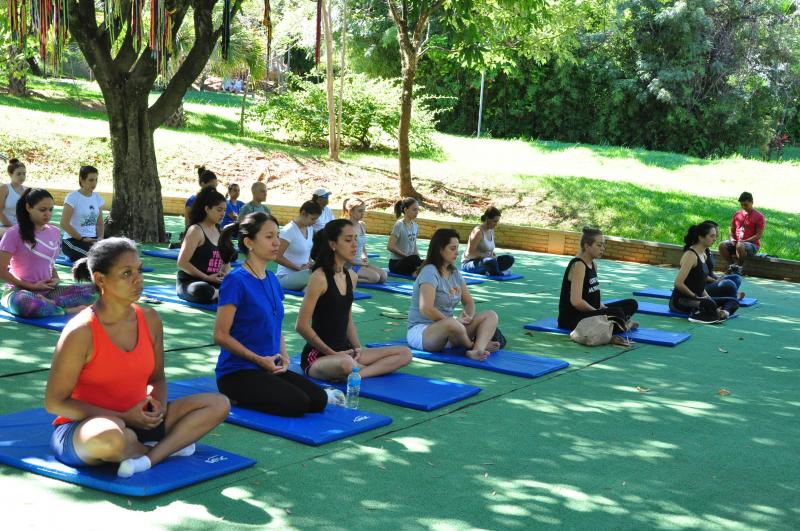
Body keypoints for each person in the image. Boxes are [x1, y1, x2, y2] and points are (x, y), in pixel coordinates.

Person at [44, 237, 229, 477]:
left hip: (139, 420)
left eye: (139, 270)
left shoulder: (150, 319)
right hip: (88, 426)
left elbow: (157, 379)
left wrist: (157, 408)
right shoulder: (81, 331)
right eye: (126, 273)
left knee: (218, 403)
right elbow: (54, 403)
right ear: (100, 279)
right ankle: (165, 447)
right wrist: (121, 417)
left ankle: (148, 457)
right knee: (110, 437)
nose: (138, 279)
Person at [213, 212, 328, 416]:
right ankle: (235, 396)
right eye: (269, 237)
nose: (276, 243)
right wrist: (259, 360)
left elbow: (277, 326)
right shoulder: (235, 281)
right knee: (298, 404)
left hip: (268, 366)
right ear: (249, 242)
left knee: (319, 400)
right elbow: (220, 335)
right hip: (237, 372)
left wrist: (284, 357)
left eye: (277, 236)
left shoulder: (273, 279)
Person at [296, 219, 412, 380]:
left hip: (347, 351)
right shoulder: (319, 277)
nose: (354, 245)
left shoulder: (352, 276)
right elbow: (301, 326)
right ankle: (362, 370)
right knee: (345, 363)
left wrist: (357, 348)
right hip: (320, 357)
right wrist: (333, 353)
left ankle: (359, 374)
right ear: (333, 244)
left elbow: (347, 317)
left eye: (355, 239)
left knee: (404, 353)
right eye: (348, 240)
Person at [407, 228, 500, 361]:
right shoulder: (429, 272)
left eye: (457, 248)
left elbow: (468, 302)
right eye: (452, 248)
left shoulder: (454, 272)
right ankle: (472, 345)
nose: (457, 252)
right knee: (452, 323)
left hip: (452, 330)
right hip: (423, 333)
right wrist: (454, 323)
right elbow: (426, 308)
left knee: (491, 315)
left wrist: (468, 316)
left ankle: (477, 350)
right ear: (440, 249)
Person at [0, 189, 96, 317]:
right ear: (28, 207)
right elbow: (1, 270)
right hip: (19, 292)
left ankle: (49, 303)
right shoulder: (13, 233)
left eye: (50, 210)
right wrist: (31, 287)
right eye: (42, 210)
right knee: (25, 304)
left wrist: (56, 278)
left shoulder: (54, 232)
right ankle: (66, 310)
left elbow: (50, 263)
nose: (48, 214)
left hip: (49, 291)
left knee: (94, 291)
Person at [557, 227, 638, 345]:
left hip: (590, 312)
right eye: (599, 245)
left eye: (603, 245)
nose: (603, 249)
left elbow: (592, 295)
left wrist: (602, 308)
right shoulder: (579, 265)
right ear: (587, 246)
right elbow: (576, 301)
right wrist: (600, 312)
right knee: (617, 313)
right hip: (572, 318)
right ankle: (622, 325)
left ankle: (615, 324)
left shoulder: (593, 265)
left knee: (631, 304)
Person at [670, 222, 740, 324]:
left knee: (733, 301)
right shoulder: (690, 256)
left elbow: (700, 283)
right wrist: (696, 297)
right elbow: (678, 283)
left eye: (715, 236)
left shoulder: (704, 254)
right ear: (701, 237)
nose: (714, 239)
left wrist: (707, 297)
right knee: (709, 304)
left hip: (699, 298)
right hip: (682, 301)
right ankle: (702, 313)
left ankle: (722, 313)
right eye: (712, 236)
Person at [176, 187, 233, 304]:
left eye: (224, 210)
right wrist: (206, 277)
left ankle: (221, 294)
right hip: (191, 283)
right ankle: (221, 295)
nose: (223, 214)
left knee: (239, 282)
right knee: (202, 290)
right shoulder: (196, 230)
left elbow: (226, 264)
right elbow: (182, 263)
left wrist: (225, 274)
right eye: (219, 210)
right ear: (207, 209)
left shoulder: (221, 232)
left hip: (214, 282)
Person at [60, 166, 105, 262]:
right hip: (72, 240)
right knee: (96, 259)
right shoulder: (72, 197)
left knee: (113, 255)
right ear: (82, 180)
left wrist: (100, 238)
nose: (94, 183)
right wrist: (82, 238)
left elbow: (100, 223)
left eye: (96, 180)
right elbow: (64, 223)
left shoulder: (97, 197)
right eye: (91, 180)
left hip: (92, 240)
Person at [275, 201, 321, 291]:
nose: (314, 222)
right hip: (285, 277)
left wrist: (310, 263)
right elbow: (276, 257)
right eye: (312, 219)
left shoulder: (310, 228)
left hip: (303, 274)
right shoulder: (288, 230)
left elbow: (305, 253)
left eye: (316, 219)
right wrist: (298, 269)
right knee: (316, 274)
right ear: (303, 213)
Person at [718, 192, 766, 273]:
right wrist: (732, 238)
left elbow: (758, 235)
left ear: (752, 202)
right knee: (722, 245)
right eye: (742, 205)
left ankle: (739, 267)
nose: (744, 207)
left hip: (752, 245)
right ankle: (732, 266)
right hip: (737, 243)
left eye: (746, 204)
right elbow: (732, 229)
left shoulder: (759, 217)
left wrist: (744, 241)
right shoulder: (737, 214)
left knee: (740, 245)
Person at [343, 197, 387, 284]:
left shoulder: (362, 225)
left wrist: (364, 256)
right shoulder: (345, 227)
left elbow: (362, 245)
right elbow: (343, 251)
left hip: (359, 262)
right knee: (375, 278)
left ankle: (351, 276)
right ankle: (344, 278)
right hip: (349, 264)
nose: (363, 213)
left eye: (363, 210)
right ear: (350, 211)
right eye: (360, 211)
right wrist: (360, 263)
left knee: (383, 276)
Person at [461, 206, 515, 276]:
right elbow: (469, 253)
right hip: (470, 263)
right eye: (494, 221)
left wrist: (492, 254)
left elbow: (489, 249)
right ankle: (501, 273)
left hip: (486, 261)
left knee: (509, 259)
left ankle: (491, 271)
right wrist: (487, 256)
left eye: (497, 221)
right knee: (489, 261)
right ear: (487, 219)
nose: (496, 224)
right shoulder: (478, 231)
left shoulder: (491, 230)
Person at [702, 220, 744, 300]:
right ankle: (733, 297)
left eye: (716, 234)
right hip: (702, 288)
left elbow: (709, 272)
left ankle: (728, 296)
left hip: (711, 282)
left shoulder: (707, 249)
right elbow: (700, 277)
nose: (716, 238)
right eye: (713, 235)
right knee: (729, 283)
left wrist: (718, 277)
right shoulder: (696, 252)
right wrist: (716, 280)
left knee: (736, 278)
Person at [387, 197, 422, 276]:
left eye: (417, 210)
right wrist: (406, 256)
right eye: (414, 210)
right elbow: (390, 246)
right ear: (405, 210)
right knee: (414, 259)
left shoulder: (416, 226)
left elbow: (414, 246)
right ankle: (416, 271)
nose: (416, 212)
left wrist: (419, 261)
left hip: (409, 260)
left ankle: (417, 270)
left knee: (428, 262)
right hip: (396, 263)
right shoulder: (399, 225)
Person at [0, 158, 27, 238]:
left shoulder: (27, 190)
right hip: (3, 226)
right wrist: (12, 228)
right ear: (10, 174)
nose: (22, 177)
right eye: (18, 174)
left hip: (20, 227)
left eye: (24, 173)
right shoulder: (4, 189)